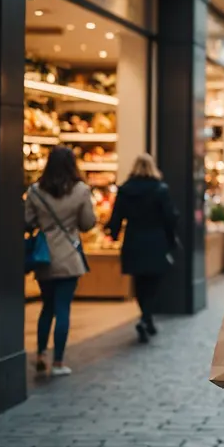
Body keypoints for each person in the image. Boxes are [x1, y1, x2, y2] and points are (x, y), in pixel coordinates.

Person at [24, 146, 96, 376]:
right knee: (63, 308)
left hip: (44, 256)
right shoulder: (81, 190)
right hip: (68, 255)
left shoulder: (36, 191)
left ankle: (40, 354)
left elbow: (27, 221)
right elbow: (87, 223)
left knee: (47, 307)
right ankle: (58, 362)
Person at [106, 154, 179, 343]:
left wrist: (113, 234)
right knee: (153, 282)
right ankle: (146, 318)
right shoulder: (160, 189)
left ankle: (146, 318)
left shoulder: (125, 190)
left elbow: (116, 216)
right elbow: (169, 218)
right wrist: (172, 240)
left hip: (133, 239)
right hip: (156, 240)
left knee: (139, 282)